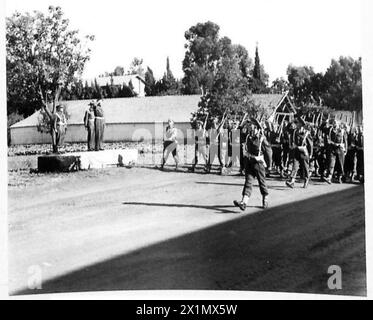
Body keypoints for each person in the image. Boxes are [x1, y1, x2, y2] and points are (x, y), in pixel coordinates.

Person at [233, 118, 269, 211]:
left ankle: (265, 198)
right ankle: (244, 202)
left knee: (262, 183)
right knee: (248, 182)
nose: (249, 127)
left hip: (258, 163)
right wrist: (243, 122)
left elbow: (269, 152)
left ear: (256, 127)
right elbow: (238, 132)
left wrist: (269, 165)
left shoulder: (261, 138)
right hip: (249, 162)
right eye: (249, 125)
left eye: (251, 125)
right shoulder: (248, 136)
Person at [286, 118, 313, 189]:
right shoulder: (295, 131)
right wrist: (291, 121)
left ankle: (306, 180)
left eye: (297, 123)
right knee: (295, 166)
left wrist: (310, 154)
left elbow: (310, 144)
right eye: (296, 123)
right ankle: (292, 181)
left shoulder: (306, 133)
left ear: (301, 125)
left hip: (304, 152)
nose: (296, 125)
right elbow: (287, 129)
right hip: (296, 151)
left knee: (305, 167)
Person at [323, 119, 347, 184]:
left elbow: (345, 141)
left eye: (336, 123)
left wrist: (345, 150)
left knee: (340, 164)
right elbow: (323, 128)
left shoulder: (342, 131)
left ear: (338, 124)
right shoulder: (330, 130)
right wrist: (326, 122)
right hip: (332, 148)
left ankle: (340, 177)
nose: (335, 124)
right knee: (331, 163)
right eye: (333, 123)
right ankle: (329, 177)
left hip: (340, 149)